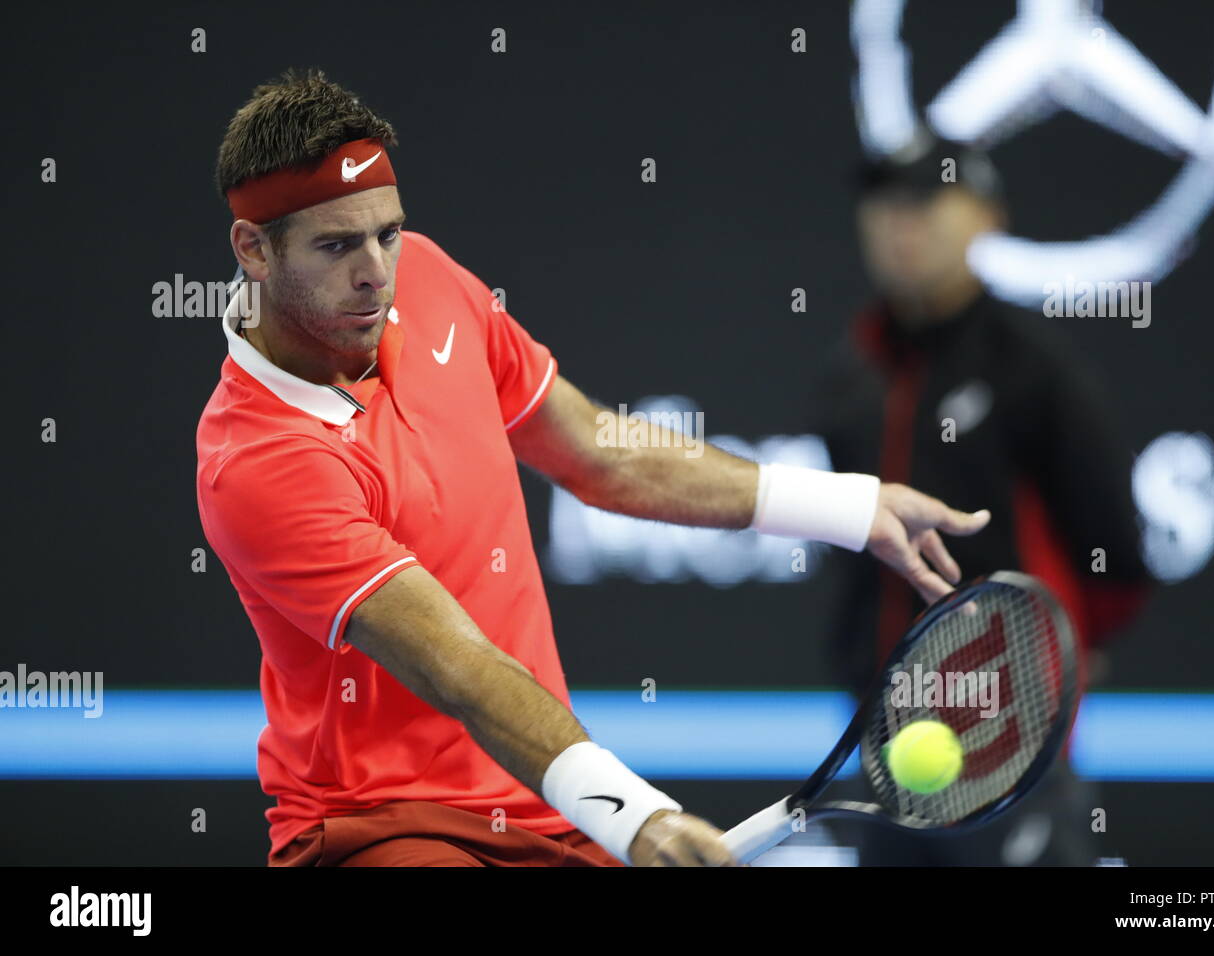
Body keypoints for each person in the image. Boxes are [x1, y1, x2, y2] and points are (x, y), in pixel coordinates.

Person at [196, 69, 992, 868]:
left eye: (388, 233)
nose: (377, 272)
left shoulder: (428, 277)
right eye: (337, 246)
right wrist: (636, 817)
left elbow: (595, 451)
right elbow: (458, 666)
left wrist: (848, 509)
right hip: (388, 828)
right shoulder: (259, 462)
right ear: (253, 250)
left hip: (545, 799)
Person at [814, 131, 1153, 865]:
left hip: (1013, 747)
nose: (900, 224)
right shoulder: (851, 374)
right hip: (881, 747)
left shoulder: (1037, 372)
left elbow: (1116, 558)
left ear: (986, 219)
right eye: (884, 205)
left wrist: (1056, 658)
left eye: (927, 204)